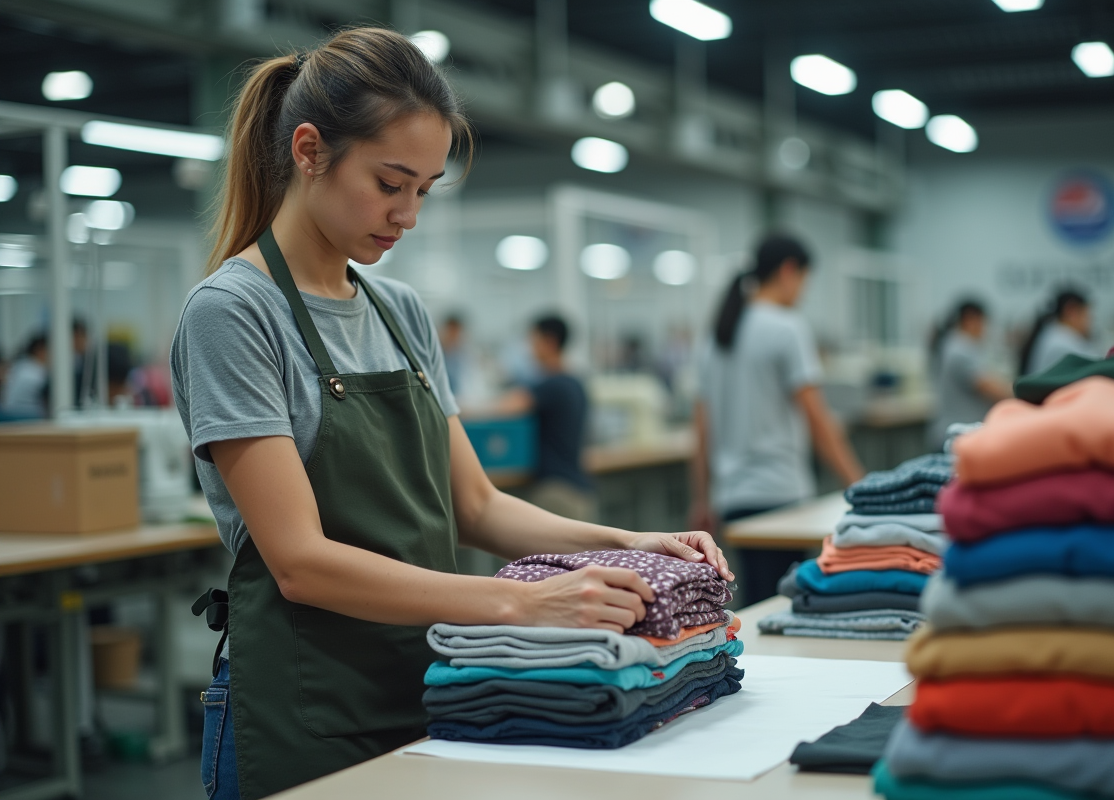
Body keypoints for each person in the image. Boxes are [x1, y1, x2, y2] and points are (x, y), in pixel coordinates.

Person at [170, 29, 731, 800]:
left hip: (431, 682)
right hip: (305, 707)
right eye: (390, 183)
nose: (407, 214)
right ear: (309, 151)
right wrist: (526, 602)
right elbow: (299, 562)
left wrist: (630, 539)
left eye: (424, 190)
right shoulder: (234, 313)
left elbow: (476, 504)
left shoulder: (399, 312)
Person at [691, 234, 864, 606]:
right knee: (785, 605)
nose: (802, 291)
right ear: (789, 271)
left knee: (754, 602)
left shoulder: (716, 337)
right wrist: (859, 485)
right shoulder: (786, 328)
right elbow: (817, 417)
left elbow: (702, 427)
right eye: (804, 280)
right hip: (780, 495)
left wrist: (701, 497)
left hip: (733, 498)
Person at [494, 315, 595, 522]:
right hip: (578, 489)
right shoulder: (576, 383)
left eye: (533, 340)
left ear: (549, 342)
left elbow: (504, 407)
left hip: (556, 492)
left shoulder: (551, 385)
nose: (529, 347)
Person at [927, 299, 1011, 450]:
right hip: (956, 437)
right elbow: (992, 389)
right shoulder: (960, 350)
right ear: (970, 319)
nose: (985, 330)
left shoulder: (955, 345)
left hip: (956, 434)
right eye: (983, 323)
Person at [1019, 288, 1099, 376]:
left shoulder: (1053, 334)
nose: (1089, 322)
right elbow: (1097, 366)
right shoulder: (1061, 343)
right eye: (1086, 315)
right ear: (1071, 311)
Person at [0, 334, 49, 420]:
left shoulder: (22, 365)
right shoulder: (34, 371)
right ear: (41, 350)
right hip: (22, 416)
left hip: (10, 413)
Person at [438, 312, 466, 395]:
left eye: (456, 332)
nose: (453, 336)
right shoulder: (439, 354)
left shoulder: (461, 354)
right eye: (451, 332)